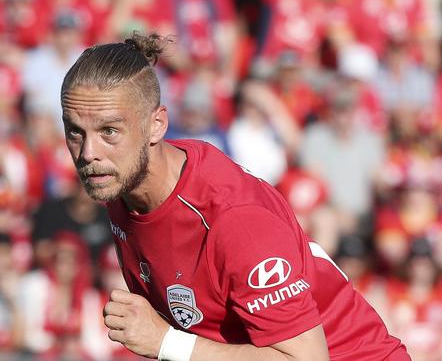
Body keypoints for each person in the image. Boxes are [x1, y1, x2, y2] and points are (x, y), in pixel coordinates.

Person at [59, 33, 410, 360]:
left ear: (157, 125)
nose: (88, 152)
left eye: (109, 131)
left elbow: (307, 358)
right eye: (75, 132)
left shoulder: (234, 219)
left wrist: (166, 341)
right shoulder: (121, 184)